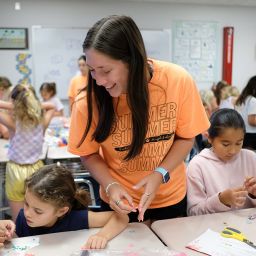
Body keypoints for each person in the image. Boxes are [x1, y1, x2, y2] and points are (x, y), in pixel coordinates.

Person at [68, 15, 209, 223]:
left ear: (133, 60)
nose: (98, 81)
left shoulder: (177, 80)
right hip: (120, 202)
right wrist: (111, 185)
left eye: (105, 70)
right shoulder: (87, 102)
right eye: (92, 71)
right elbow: (88, 153)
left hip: (170, 198)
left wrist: (160, 173)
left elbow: (186, 137)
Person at [12, 164, 127, 249]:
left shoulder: (75, 218)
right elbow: (17, 247)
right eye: (26, 203)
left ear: (61, 211)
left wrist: (102, 236)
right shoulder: (23, 218)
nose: (27, 213)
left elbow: (122, 217)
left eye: (38, 211)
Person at [0, 83, 55, 221]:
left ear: (14, 102)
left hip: (16, 170)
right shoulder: (41, 122)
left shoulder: (13, 123)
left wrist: (17, 106)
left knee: (18, 218)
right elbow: (51, 107)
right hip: (37, 169)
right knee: (40, 214)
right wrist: (31, 106)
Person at [186, 109, 256, 216]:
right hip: (213, 229)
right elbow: (193, 212)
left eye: (238, 143)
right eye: (225, 144)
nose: (233, 151)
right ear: (209, 137)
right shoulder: (197, 165)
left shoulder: (251, 158)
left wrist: (254, 195)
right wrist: (220, 200)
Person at [235, 76, 256, 150]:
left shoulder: (243, 98)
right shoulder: (253, 100)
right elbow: (252, 121)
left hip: (243, 132)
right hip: (252, 135)